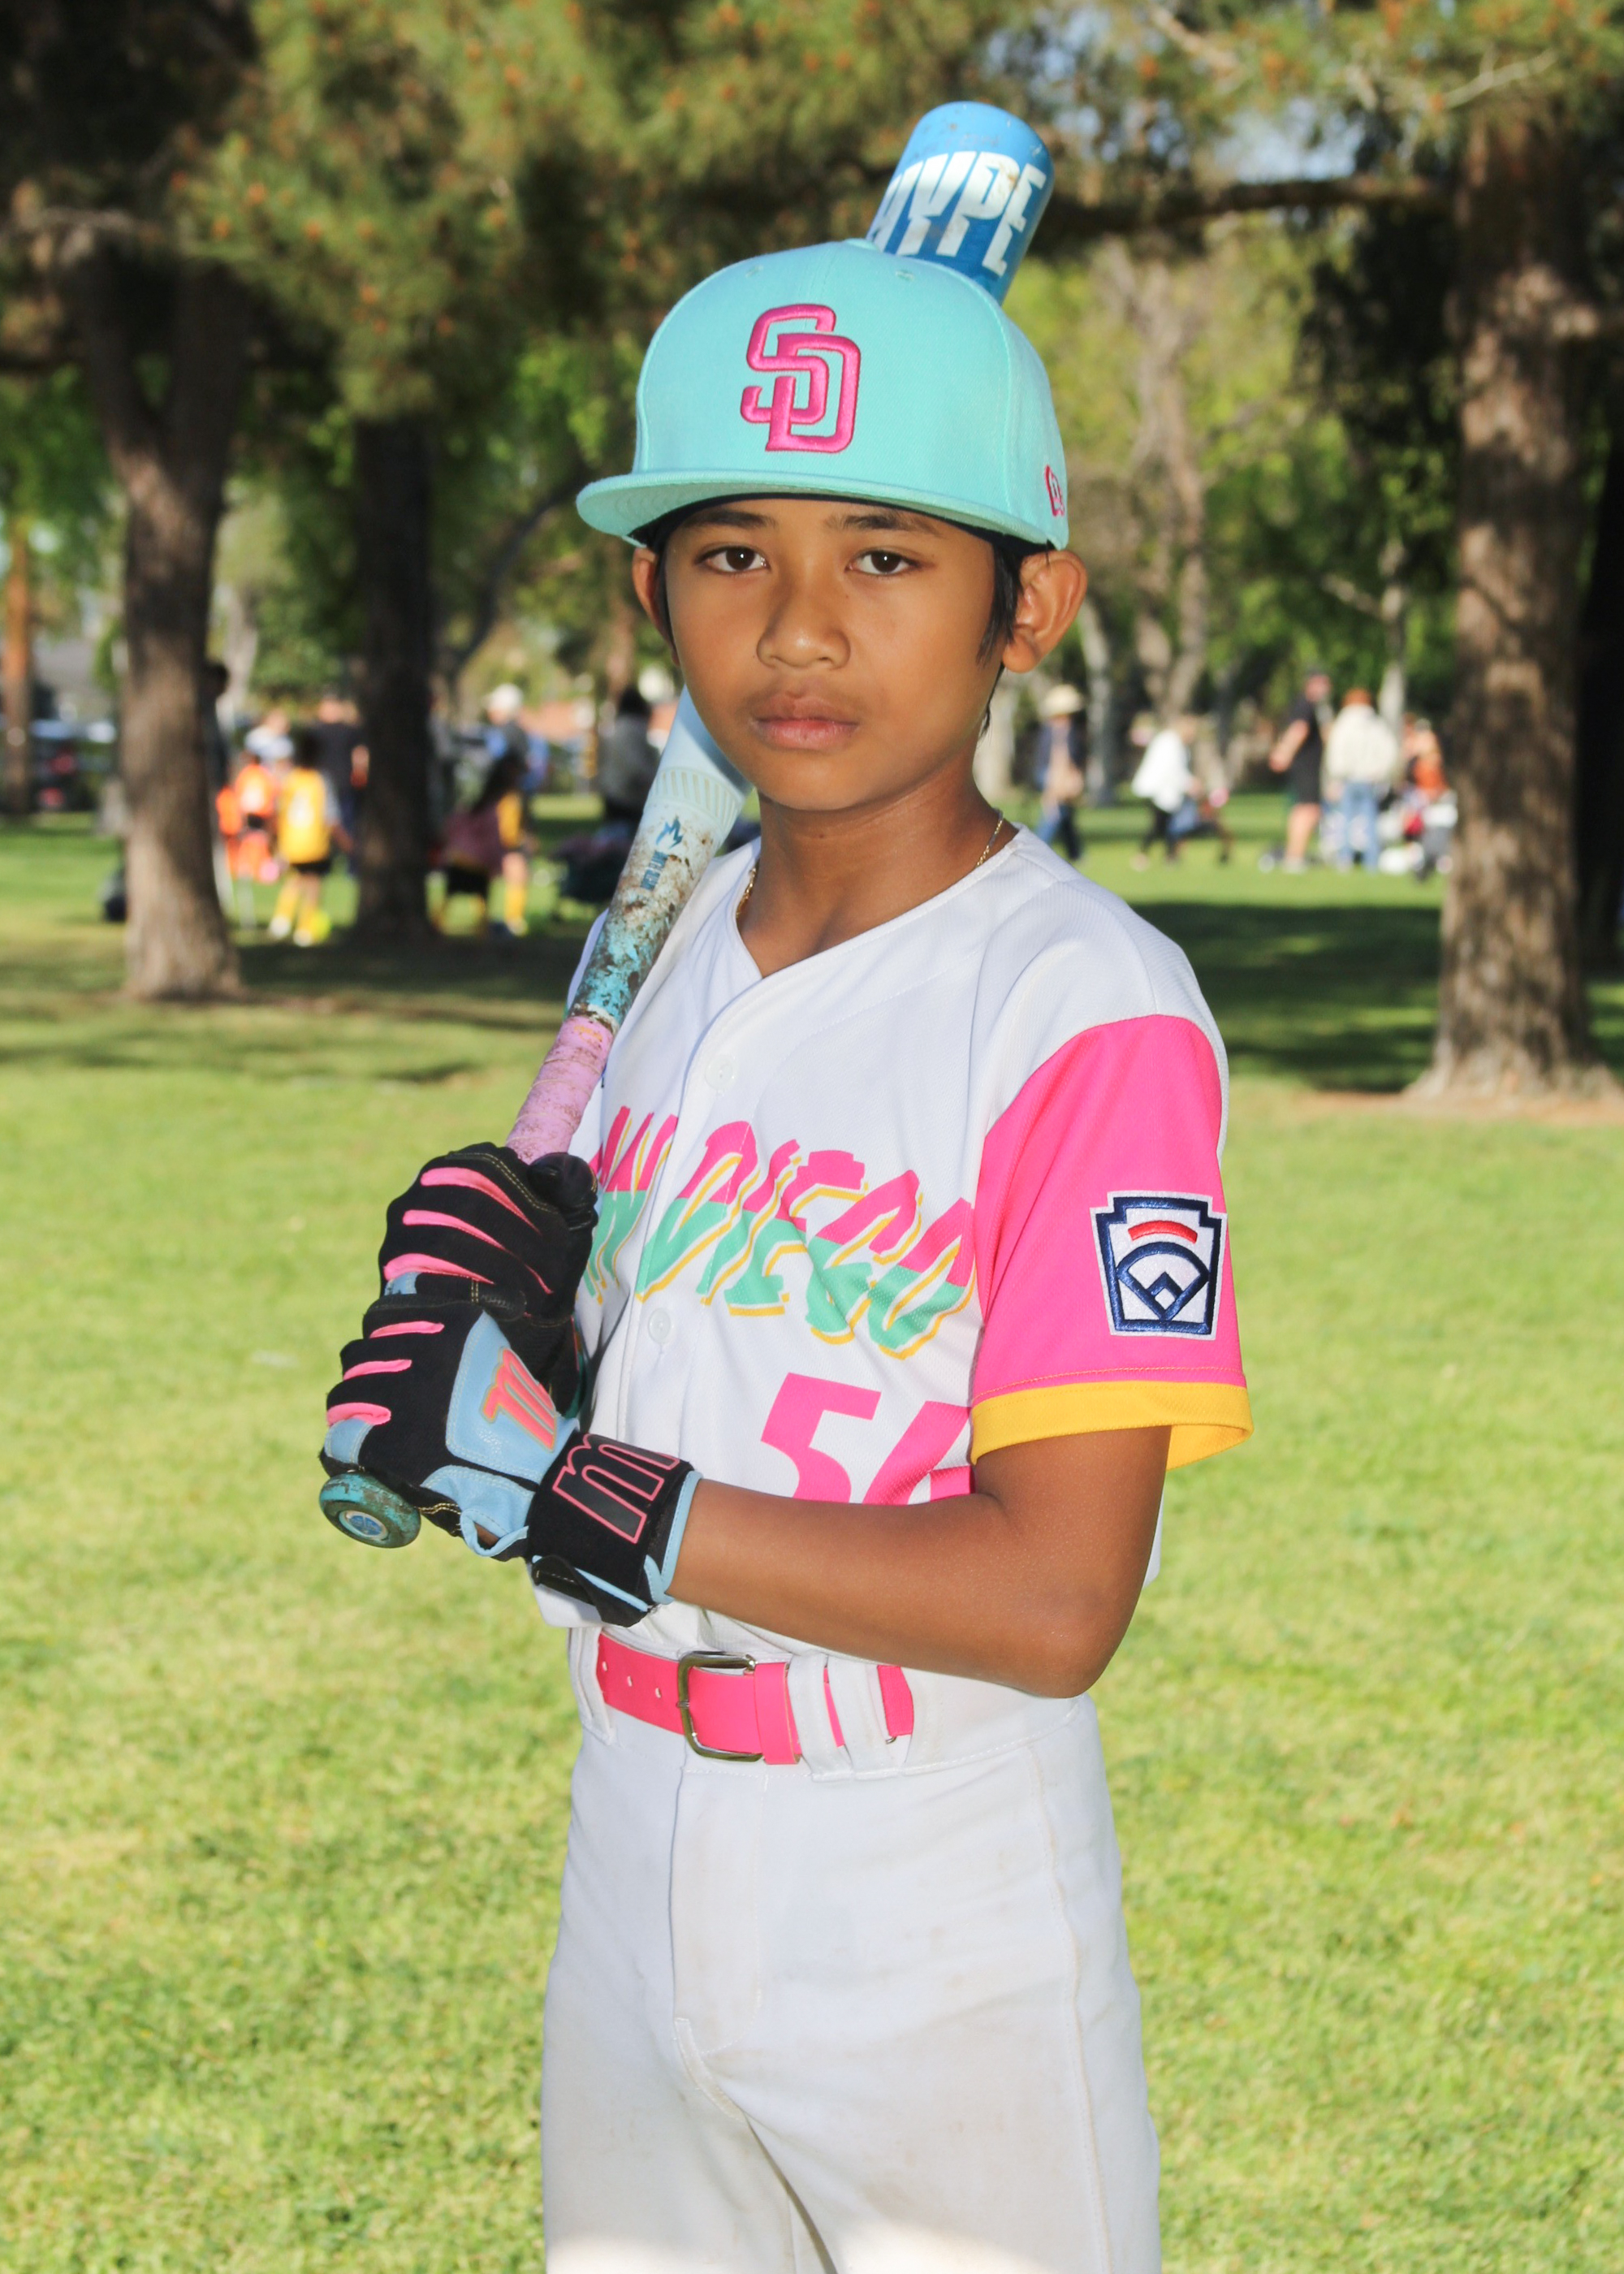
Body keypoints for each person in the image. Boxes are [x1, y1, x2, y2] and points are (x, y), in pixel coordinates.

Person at [326, 225, 1251, 2273]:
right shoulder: (674, 957)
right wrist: (511, 1330)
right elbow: (662, 1380)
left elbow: (1053, 1596)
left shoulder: (1080, 1007)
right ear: (649, 592)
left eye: (886, 555)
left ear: (1029, 607)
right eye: (734, 552)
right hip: (631, 1831)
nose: (803, 627)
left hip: (927, 1876)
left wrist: (582, 1490)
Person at [433, 750, 530, 936]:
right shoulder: (507, 800)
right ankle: (513, 921)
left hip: (460, 859)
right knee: (515, 873)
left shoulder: (486, 799)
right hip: (482, 859)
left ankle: (441, 923)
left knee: (457, 895)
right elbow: (506, 834)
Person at [269, 726, 350, 945]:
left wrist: (274, 840)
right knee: (313, 884)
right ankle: (305, 929)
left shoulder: (289, 779)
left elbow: (278, 812)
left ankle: (281, 921)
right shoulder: (320, 780)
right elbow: (330, 816)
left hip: (291, 843)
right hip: (314, 844)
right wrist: (347, 842)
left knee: (294, 880)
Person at [1322, 687, 1397, 871]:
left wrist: (1335, 776)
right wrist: (1380, 771)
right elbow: (1390, 750)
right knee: (1370, 819)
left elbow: (1335, 752)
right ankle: (1372, 859)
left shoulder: (1343, 724)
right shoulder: (1377, 724)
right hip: (1369, 779)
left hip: (1348, 778)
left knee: (1345, 819)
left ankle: (1345, 858)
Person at [1267, 667, 1332, 871]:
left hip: (1308, 766)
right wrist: (1283, 753)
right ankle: (1295, 857)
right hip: (1306, 767)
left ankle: (1294, 855)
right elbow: (1298, 730)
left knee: (1303, 809)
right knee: (1309, 810)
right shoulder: (1306, 705)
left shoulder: (1311, 706)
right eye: (1323, 683)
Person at [1129, 711, 1197, 865]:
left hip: (1168, 792)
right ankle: (1147, 855)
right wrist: (1189, 784)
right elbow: (1172, 770)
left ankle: (1169, 856)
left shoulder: (1177, 744)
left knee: (1167, 825)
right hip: (1158, 790)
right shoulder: (1169, 743)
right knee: (1159, 825)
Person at [1032, 681, 1086, 861]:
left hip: (1054, 773)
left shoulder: (1054, 729)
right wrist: (1059, 783)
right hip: (1054, 774)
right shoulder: (1060, 731)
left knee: (1065, 814)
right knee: (1054, 814)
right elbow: (1060, 759)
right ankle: (1039, 849)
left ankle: (1075, 852)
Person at [595, 684, 661, 824]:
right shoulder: (634, 729)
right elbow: (636, 767)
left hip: (612, 792)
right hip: (629, 796)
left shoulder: (614, 728)